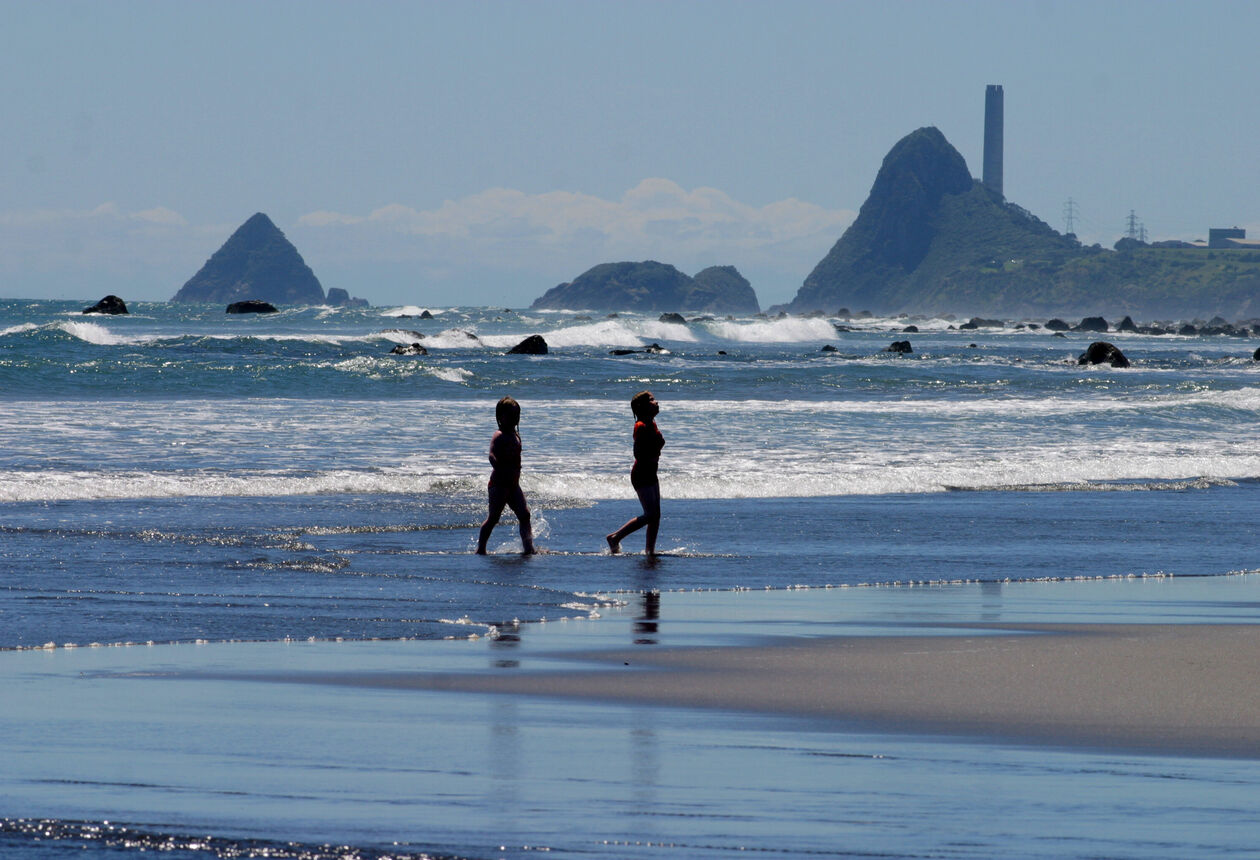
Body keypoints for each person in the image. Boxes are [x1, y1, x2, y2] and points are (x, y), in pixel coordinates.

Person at [606, 390, 663, 556]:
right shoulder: (641, 426)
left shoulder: (651, 423)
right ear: (643, 406)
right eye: (652, 399)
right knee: (650, 514)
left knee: (656, 515)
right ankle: (615, 537)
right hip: (642, 474)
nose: (656, 401)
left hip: (651, 473)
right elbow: (638, 452)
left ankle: (649, 550)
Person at [476, 396, 536, 555]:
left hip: (514, 485)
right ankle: (481, 548)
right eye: (510, 415)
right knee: (494, 518)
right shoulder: (499, 435)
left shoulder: (516, 435)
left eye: (517, 415)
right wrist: (497, 464)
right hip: (499, 485)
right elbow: (491, 455)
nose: (514, 419)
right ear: (500, 417)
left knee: (525, 515)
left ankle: (529, 548)